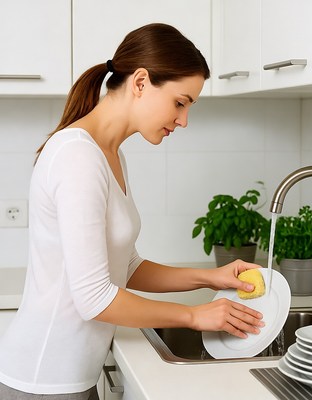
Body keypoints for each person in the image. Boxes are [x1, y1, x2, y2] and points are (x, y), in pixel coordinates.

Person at [0, 23, 264, 399]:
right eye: (180, 102)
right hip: (42, 380)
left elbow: (126, 267)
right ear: (140, 82)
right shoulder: (78, 156)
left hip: (72, 377)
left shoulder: (110, 155)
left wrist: (212, 278)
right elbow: (94, 298)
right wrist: (192, 316)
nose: (183, 120)